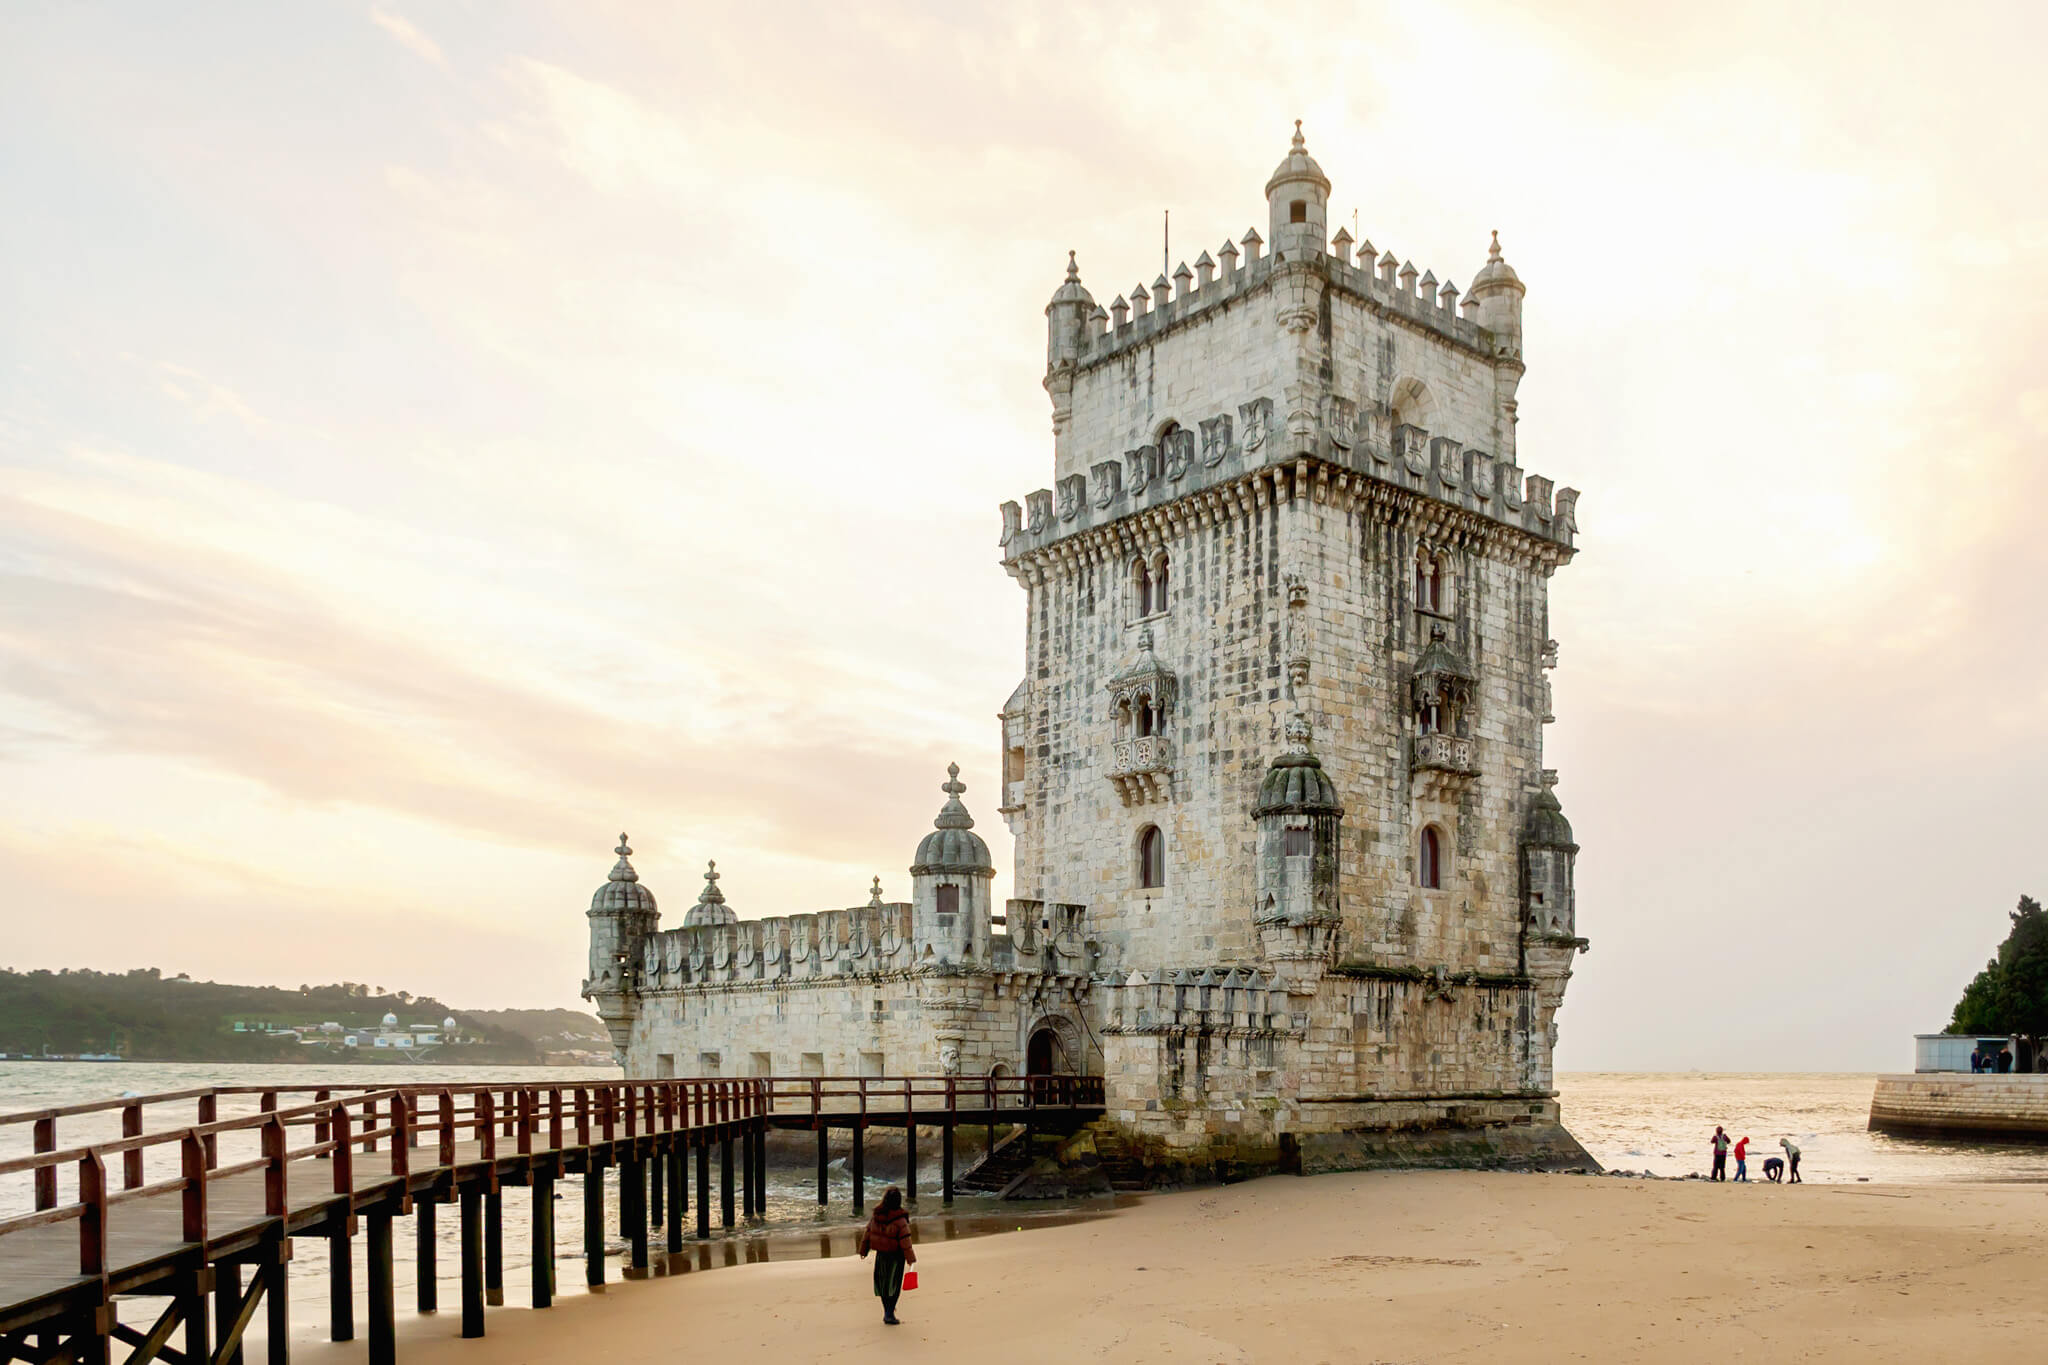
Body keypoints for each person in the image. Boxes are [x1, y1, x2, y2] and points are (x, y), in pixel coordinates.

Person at [856, 1186, 916, 1325]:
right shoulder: (900, 1220)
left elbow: (868, 1233)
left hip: (881, 1256)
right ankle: (889, 1313)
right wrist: (911, 1259)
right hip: (896, 1257)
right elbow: (905, 1241)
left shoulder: (876, 1216)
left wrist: (863, 1251)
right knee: (893, 1286)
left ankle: (887, 1311)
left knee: (882, 1285)